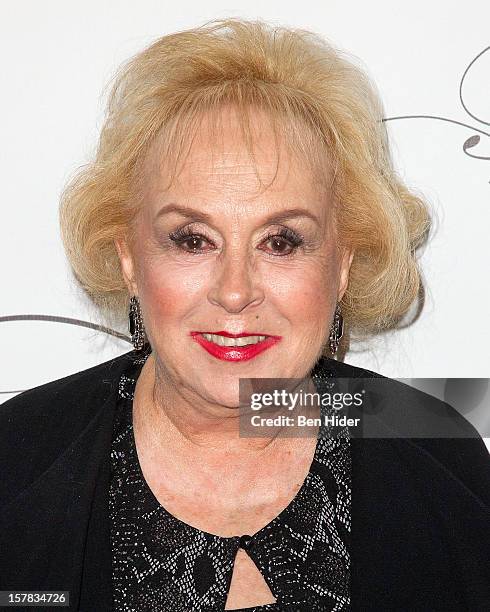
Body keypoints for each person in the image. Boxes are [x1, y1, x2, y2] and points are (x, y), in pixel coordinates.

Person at [1, 17, 489, 612]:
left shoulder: (443, 457)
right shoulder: (16, 458)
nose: (235, 293)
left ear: (341, 264)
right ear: (129, 257)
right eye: (192, 239)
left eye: (282, 241)